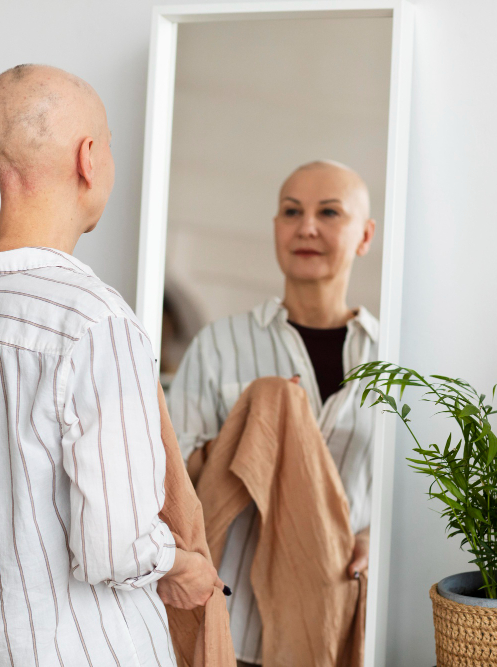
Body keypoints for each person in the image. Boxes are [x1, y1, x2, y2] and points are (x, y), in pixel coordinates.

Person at [0, 64, 225, 667]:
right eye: (109, 143)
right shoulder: (95, 321)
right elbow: (112, 546)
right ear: (89, 158)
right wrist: (179, 565)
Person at [167, 160, 379, 666]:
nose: (307, 227)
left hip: (337, 615)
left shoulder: (394, 358)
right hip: (231, 621)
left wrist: (378, 538)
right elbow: (172, 477)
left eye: (329, 212)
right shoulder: (220, 344)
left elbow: (410, 487)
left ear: (365, 235)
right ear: (276, 228)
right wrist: (259, 424)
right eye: (291, 212)